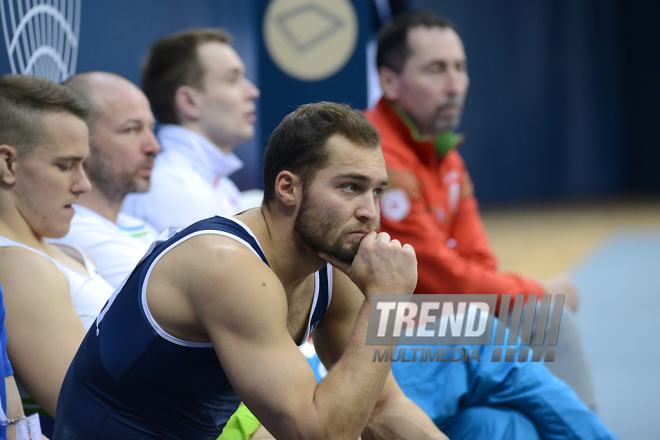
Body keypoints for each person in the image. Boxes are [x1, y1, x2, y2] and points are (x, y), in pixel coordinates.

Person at [54, 102, 447, 440]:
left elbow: (383, 406)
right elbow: (319, 433)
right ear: (288, 188)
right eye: (349, 187)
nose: (369, 212)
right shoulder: (226, 264)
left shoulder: (330, 264)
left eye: (376, 191)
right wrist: (385, 300)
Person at [365, 10, 595, 409]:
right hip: (371, 326)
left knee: (533, 320)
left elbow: (478, 262)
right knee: (541, 317)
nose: (454, 85)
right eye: (436, 69)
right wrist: (541, 289)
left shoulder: (443, 152)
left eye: (460, 68)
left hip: (430, 312)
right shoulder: (376, 157)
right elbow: (446, 281)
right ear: (389, 81)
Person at [0, 74, 114, 417]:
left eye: (83, 164)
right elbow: (93, 416)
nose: (83, 184)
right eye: (65, 166)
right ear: (8, 164)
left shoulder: (64, 251)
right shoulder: (19, 267)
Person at [121, 28, 261, 232]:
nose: (252, 92)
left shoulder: (220, 186)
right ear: (189, 101)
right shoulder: (172, 188)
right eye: (232, 79)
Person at [49, 72, 160, 288]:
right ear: (79, 140)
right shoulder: (72, 230)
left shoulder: (137, 226)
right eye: (131, 129)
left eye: (151, 128)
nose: (153, 146)